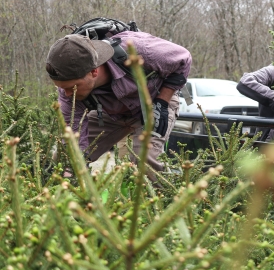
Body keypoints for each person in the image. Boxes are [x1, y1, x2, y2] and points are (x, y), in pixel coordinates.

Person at [46, 32, 192, 183]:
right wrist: (73, 173)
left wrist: (162, 101)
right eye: (62, 88)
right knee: (63, 158)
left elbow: (184, 58)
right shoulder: (68, 93)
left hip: (153, 101)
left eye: (73, 87)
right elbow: (74, 138)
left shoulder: (142, 51)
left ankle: (163, 201)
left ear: (94, 71)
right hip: (113, 112)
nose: (68, 94)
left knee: (145, 160)